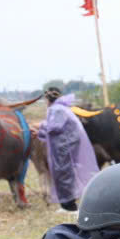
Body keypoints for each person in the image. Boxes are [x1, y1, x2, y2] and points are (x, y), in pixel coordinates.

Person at [37, 81, 99, 211]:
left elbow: (54, 127)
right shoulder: (62, 107)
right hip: (65, 145)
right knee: (66, 173)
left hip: (64, 147)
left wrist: (40, 126)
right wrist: (39, 130)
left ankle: (69, 206)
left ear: (47, 99)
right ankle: (67, 204)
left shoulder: (56, 109)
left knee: (63, 173)